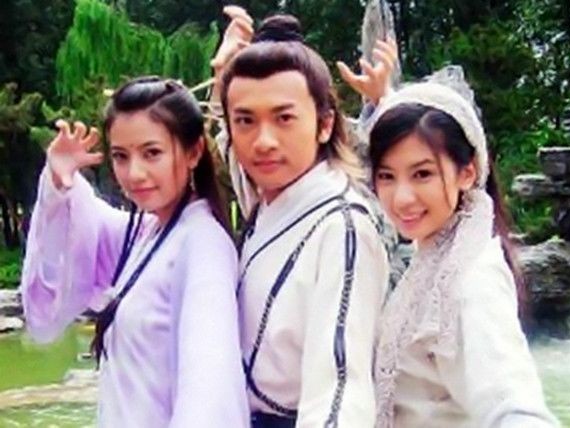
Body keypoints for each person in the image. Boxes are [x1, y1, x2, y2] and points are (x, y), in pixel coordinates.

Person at [340, 57, 559, 426]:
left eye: (422, 174)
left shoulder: (473, 279)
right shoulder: (438, 254)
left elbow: (514, 405)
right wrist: (384, 100)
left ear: (467, 172)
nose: (402, 198)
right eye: (387, 176)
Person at [20, 77, 249, 427]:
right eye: (120, 156)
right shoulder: (151, 233)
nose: (134, 173)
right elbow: (82, 231)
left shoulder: (202, 246)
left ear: (193, 152)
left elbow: (209, 387)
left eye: (152, 153)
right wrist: (58, 181)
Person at [215, 12, 389, 428]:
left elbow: (340, 388)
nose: (263, 141)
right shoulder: (267, 199)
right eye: (245, 120)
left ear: (325, 124)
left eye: (284, 118)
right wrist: (222, 73)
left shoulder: (342, 225)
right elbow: (229, 148)